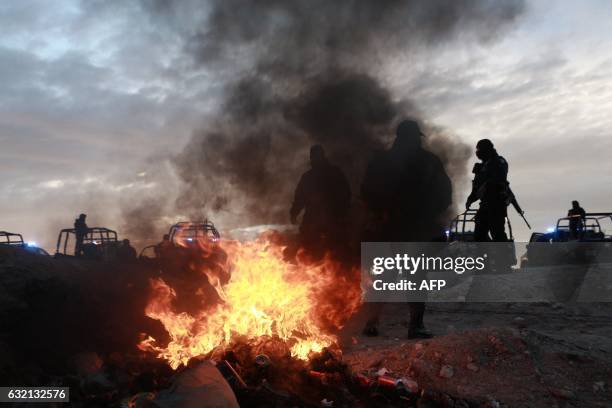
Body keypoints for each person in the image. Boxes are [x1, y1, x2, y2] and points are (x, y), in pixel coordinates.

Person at [361, 119, 452, 339]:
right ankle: (415, 326)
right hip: (415, 229)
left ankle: (372, 323)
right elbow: (444, 195)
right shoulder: (428, 161)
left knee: (385, 274)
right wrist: (430, 213)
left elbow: (366, 192)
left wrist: (379, 213)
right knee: (415, 275)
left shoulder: (382, 161)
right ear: (414, 137)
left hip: (389, 228)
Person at [290, 145, 351, 258]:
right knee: (310, 249)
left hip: (331, 218)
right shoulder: (310, 176)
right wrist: (294, 212)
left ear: (321, 156)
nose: (314, 159)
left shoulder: (333, 173)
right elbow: (300, 197)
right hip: (316, 219)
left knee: (333, 252)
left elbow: (345, 195)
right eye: (313, 156)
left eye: (315, 156)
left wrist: (342, 213)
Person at [466, 139, 509, 242]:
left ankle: (504, 257)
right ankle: (485, 256)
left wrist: (488, 183)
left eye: (479, 149)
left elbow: (498, 180)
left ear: (487, 149)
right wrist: (471, 198)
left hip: (496, 204)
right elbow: (477, 186)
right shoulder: (482, 166)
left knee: (498, 234)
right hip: (485, 204)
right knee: (479, 235)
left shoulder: (499, 161)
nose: (477, 152)